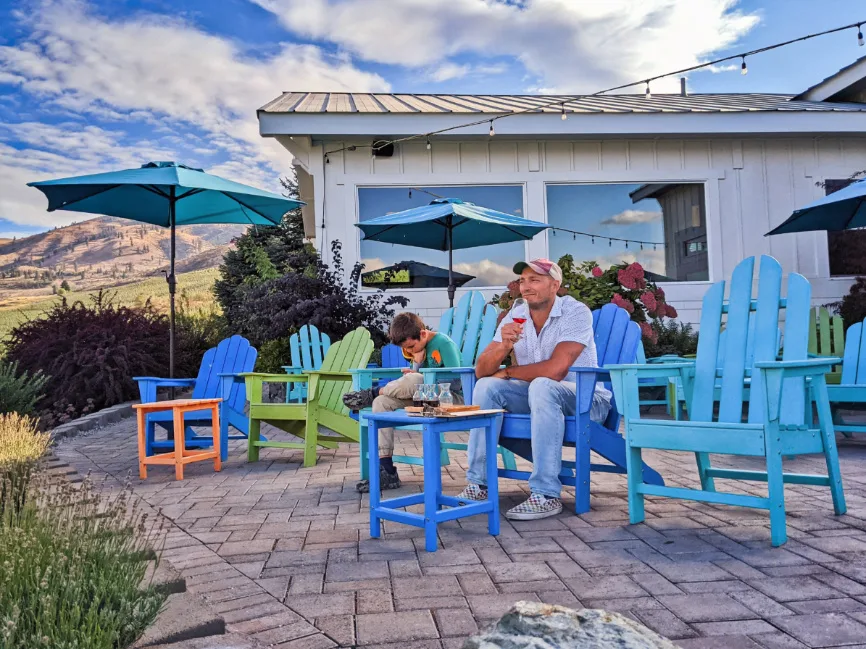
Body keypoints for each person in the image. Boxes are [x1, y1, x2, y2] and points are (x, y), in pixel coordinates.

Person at [456, 258, 612, 521]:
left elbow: (556, 371)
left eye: (535, 279)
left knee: (542, 384)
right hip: (538, 398)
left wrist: (507, 371)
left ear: (555, 285)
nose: (526, 287)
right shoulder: (517, 316)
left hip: (586, 400)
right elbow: (481, 370)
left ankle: (546, 495)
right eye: (523, 280)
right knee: (486, 386)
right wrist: (504, 346)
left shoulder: (575, 312)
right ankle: (479, 485)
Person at [344, 312, 462, 493]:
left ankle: (373, 392)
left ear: (423, 334)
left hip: (449, 398)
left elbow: (456, 380)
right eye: (407, 349)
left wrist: (420, 376)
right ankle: (387, 470)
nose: (412, 351)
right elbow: (417, 380)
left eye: (412, 346)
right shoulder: (418, 350)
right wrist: (416, 367)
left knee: (414, 380)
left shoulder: (443, 343)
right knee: (381, 403)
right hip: (424, 399)